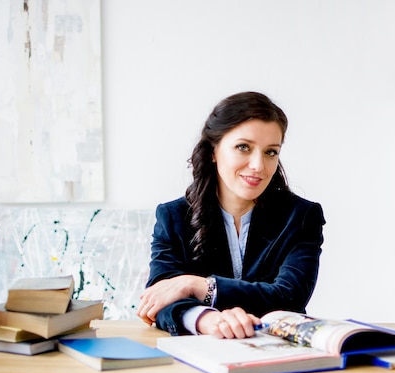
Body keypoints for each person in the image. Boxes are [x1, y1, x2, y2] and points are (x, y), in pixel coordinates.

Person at [137, 91, 325, 339]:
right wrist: (208, 319)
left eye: (270, 152)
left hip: (277, 355)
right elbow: (160, 298)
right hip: (200, 356)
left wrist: (198, 285)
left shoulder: (301, 216)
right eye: (243, 147)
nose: (258, 165)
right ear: (213, 150)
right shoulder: (173, 216)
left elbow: (289, 296)